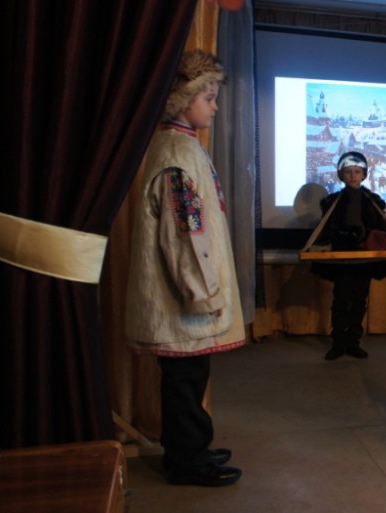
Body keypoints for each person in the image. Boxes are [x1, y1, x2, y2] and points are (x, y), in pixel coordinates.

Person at [125, 50, 243, 486]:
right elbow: (185, 233)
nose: (215, 107)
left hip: (185, 295)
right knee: (184, 380)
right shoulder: (177, 153)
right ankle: (187, 460)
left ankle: (190, 446)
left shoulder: (181, 146)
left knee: (188, 379)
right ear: (183, 100)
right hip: (183, 300)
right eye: (208, 98)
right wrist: (203, 292)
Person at [310, 151, 386, 360]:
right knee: (341, 300)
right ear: (341, 175)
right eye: (348, 171)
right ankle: (339, 343)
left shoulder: (373, 201)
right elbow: (325, 229)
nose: (353, 176)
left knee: (359, 300)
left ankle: (353, 342)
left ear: (364, 174)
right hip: (342, 258)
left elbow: (382, 228)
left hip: (365, 258)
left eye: (357, 171)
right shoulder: (332, 202)